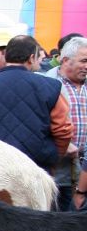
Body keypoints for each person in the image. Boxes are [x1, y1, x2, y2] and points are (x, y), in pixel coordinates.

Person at [0, 35, 72, 171]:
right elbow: (63, 130)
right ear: (31, 58)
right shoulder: (50, 87)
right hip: (36, 168)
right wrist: (53, 157)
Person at [47, 36, 87, 210]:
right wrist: (62, 143)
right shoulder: (47, 84)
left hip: (84, 174)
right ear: (65, 60)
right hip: (57, 172)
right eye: (84, 61)